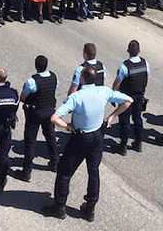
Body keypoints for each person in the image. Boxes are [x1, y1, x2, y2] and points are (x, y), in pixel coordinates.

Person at [41, 66, 133, 221]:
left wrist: (67, 127)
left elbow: (54, 118)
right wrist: (112, 117)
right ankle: (90, 208)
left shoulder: (77, 97)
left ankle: (59, 206)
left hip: (80, 137)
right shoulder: (103, 91)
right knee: (93, 171)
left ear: (82, 79)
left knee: (64, 172)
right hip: (97, 136)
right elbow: (128, 100)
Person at [13, 56, 60, 182]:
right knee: (50, 136)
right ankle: (55, 162)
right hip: (49, 111)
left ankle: (26, 171)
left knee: (30, 141)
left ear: (36, 66)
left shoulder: (32, 82)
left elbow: (23, 97)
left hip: (35, 114)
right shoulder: (54, 77)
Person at [111, 40, 149, 155]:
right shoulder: (145, 63)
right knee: (137, 119)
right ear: (139, 51)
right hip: (139, 96)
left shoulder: (124, 66)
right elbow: (146, 77)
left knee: (125, 121)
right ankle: (138, 143)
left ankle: (123, 146)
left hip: (126, 98)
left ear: (128, 51)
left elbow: (116, 84)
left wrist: (114, 96)